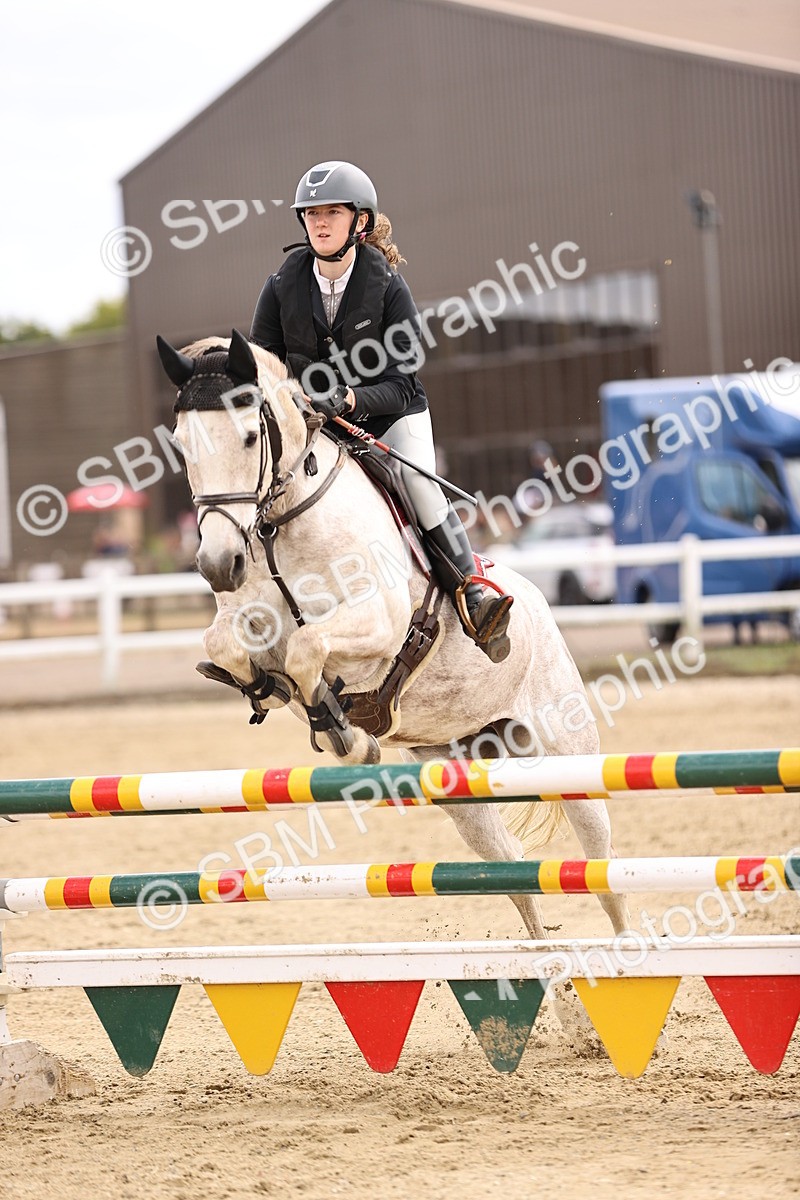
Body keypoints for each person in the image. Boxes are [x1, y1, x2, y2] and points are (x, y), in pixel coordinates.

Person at [250, 160, 513, 662]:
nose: (319, 223)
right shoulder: (281, 286)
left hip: (391, 417)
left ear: (359, 223)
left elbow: (400, 383)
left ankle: (473, 596)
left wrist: (349, 398)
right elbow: (264, 367)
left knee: (421, 487)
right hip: (316, 426)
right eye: (311, 214)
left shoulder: (388, 288)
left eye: (332, 212)